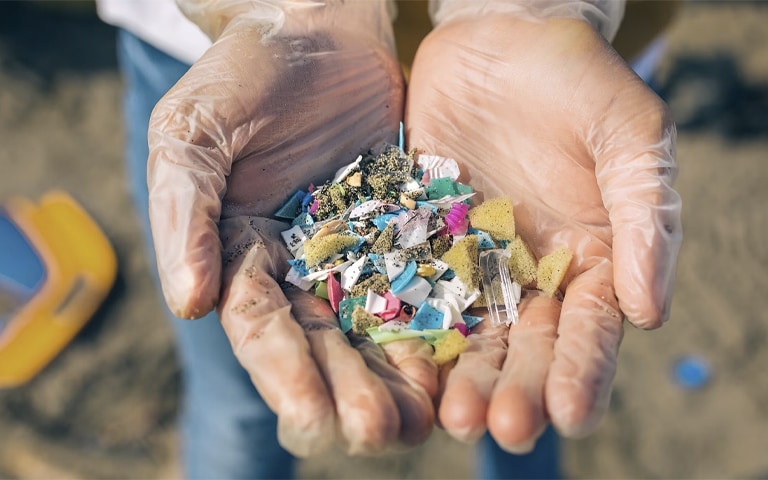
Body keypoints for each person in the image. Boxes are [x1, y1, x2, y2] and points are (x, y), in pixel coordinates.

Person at [96, 0, 683, 478]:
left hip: (554, 81)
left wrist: (529, 9)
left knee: (526, 399)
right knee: (241, 400)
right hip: (242, 64)